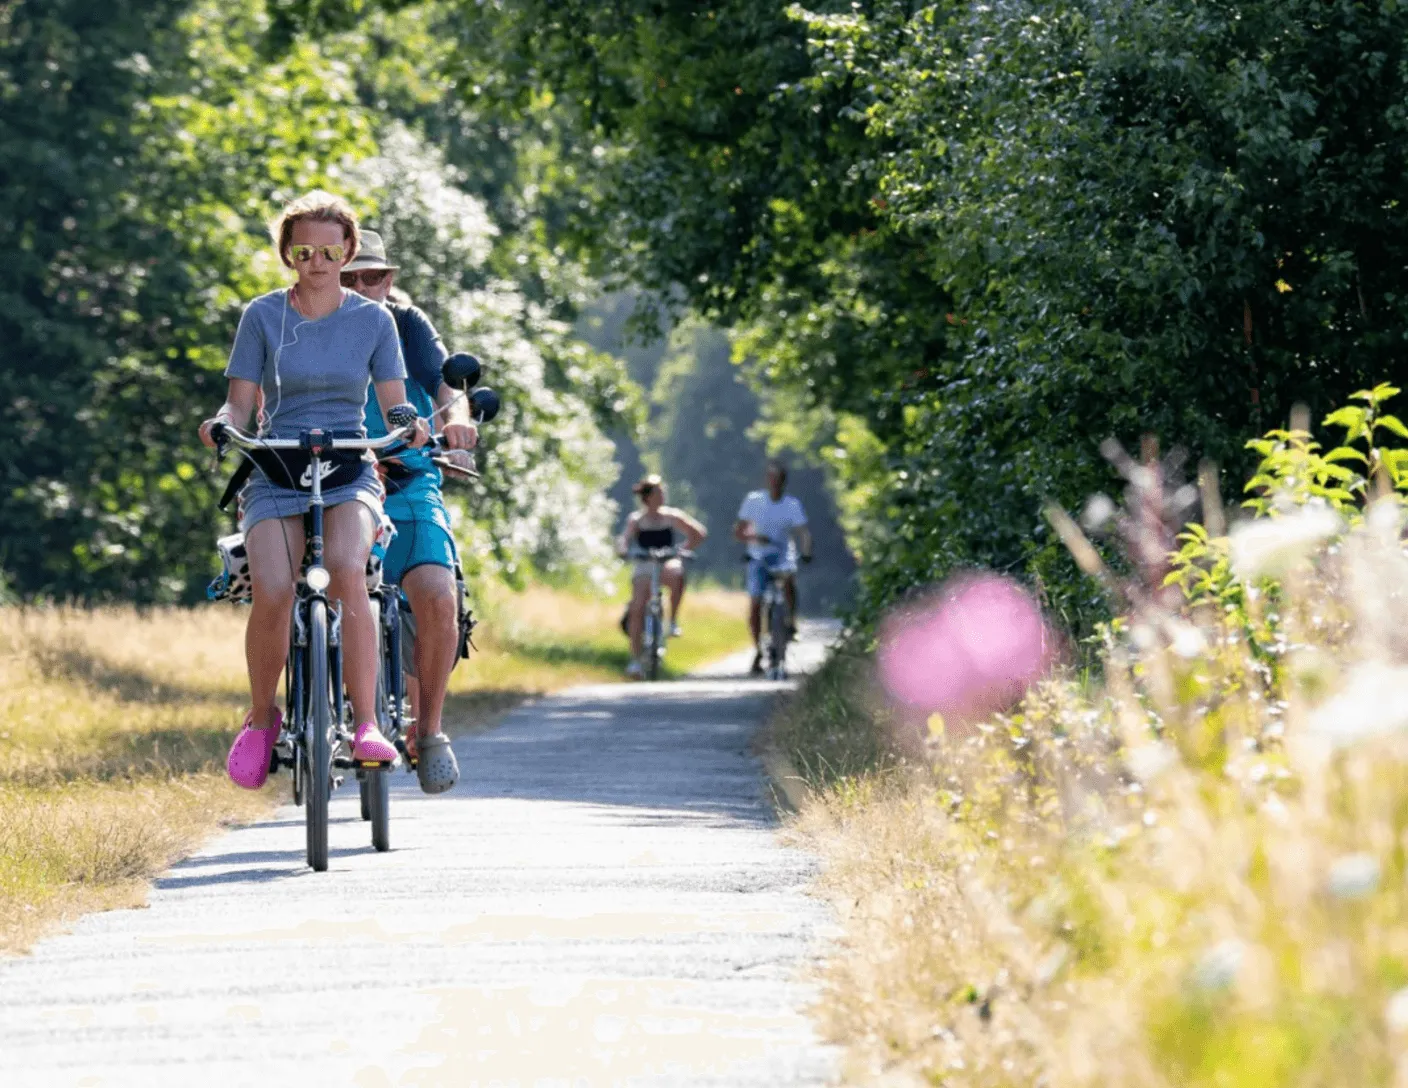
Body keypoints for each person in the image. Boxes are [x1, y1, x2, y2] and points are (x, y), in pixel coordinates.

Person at [199, 191, 429, 790]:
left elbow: (394, 400)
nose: (318, 263)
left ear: (348, 252)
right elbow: (239, 403)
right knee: (274, 589)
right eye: (304, 252)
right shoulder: (262, 315)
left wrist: (408, 422)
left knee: (349, 571)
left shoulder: (374, 321)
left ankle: (366, 724)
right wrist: (223, 422)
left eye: (329, 252)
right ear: (288, 254)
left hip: (348, 465)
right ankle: (261, 719)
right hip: (277, 466)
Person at [342, 229, 476, 794]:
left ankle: (430, 729)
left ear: (388, 280)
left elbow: (448, 385)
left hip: (407, 478)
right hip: (333, 484)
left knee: (439, 596)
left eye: (372, 276)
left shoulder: (407, 324)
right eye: (348, 277)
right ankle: (320, 706)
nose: (360, 287)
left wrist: (457, 423)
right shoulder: (298, 324)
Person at [616, 474, 707, 679]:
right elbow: (624, 539)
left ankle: (672, 621)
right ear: (648, 497)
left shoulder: (671, 516)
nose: (663, 495)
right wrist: (623, 550)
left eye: (663, 492)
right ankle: (635, 661)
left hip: (666, 561)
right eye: (658, 492)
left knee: (678, 574)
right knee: (637, 607)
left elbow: (698, 533)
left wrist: (683, 550)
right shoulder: (637, 519)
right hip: (645, 564)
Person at [734, 459, 813, 675]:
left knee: (789, 581)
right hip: (758, 555)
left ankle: (790, 621)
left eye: (778, 478)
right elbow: (739, 531)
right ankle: (758, 648)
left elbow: (803, 532)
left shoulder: (791, 505)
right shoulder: (754, 501)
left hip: (782, 555)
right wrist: (754, 537)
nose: (774, 482)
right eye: (771, 478)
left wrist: (806, 551)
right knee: (756, 603)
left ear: (783, 481)